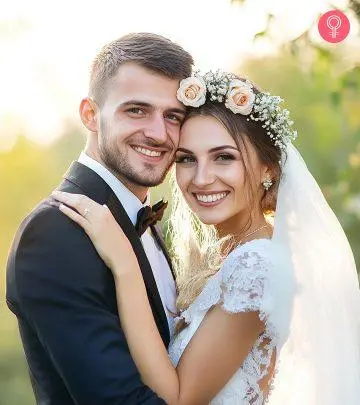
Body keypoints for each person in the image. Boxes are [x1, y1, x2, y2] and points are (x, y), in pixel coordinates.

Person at [53, 70, 360, 404]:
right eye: (186, 159)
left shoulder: (257, 265)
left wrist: (125, 263)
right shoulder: (233, 256)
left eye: (224, 157)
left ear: (267, 169)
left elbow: (179, 398)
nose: (201, 178)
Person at [6, 33, 193, 405]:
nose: (158, 133)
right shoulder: (55, 234)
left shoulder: (142, 218)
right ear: (90, 115)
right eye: (136, 110)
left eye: (173, 116)